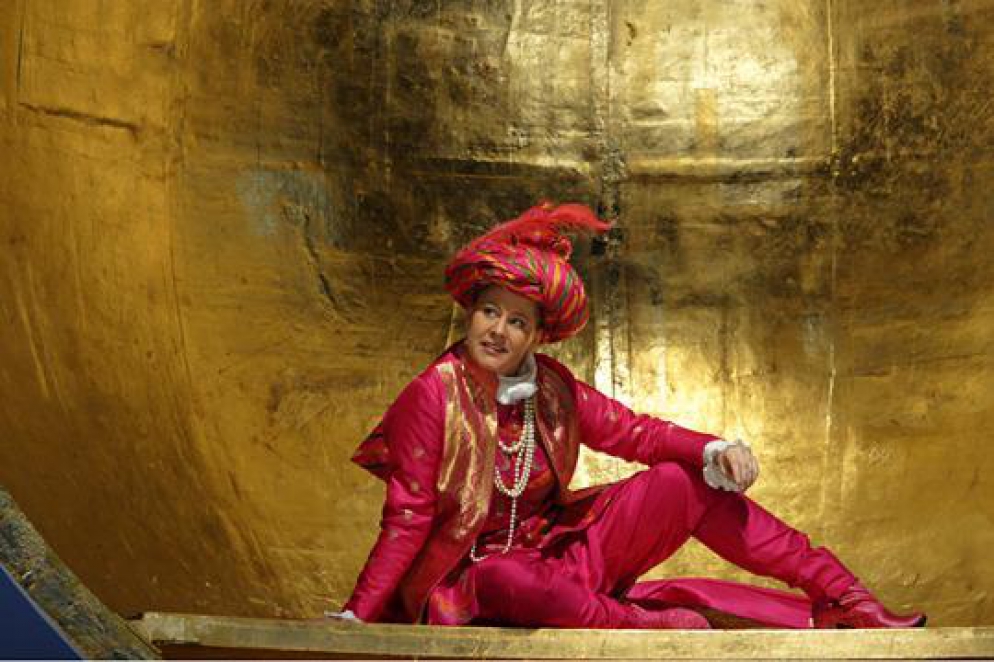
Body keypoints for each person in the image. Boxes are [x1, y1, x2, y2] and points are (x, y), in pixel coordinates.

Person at [333, 202, 926, 629]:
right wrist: (358, 616)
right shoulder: (432, 393)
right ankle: (638, 624)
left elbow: (634, 433)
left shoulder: (553, 387)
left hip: (560, 563)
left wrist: (713, 450)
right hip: (472, 584)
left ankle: (847, 597)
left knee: (681, 481)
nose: (498, 331)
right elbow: (407, 515)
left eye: (517, 321)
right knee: (505, 578)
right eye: (490, 312)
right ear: (471, 313)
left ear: (537, 335)